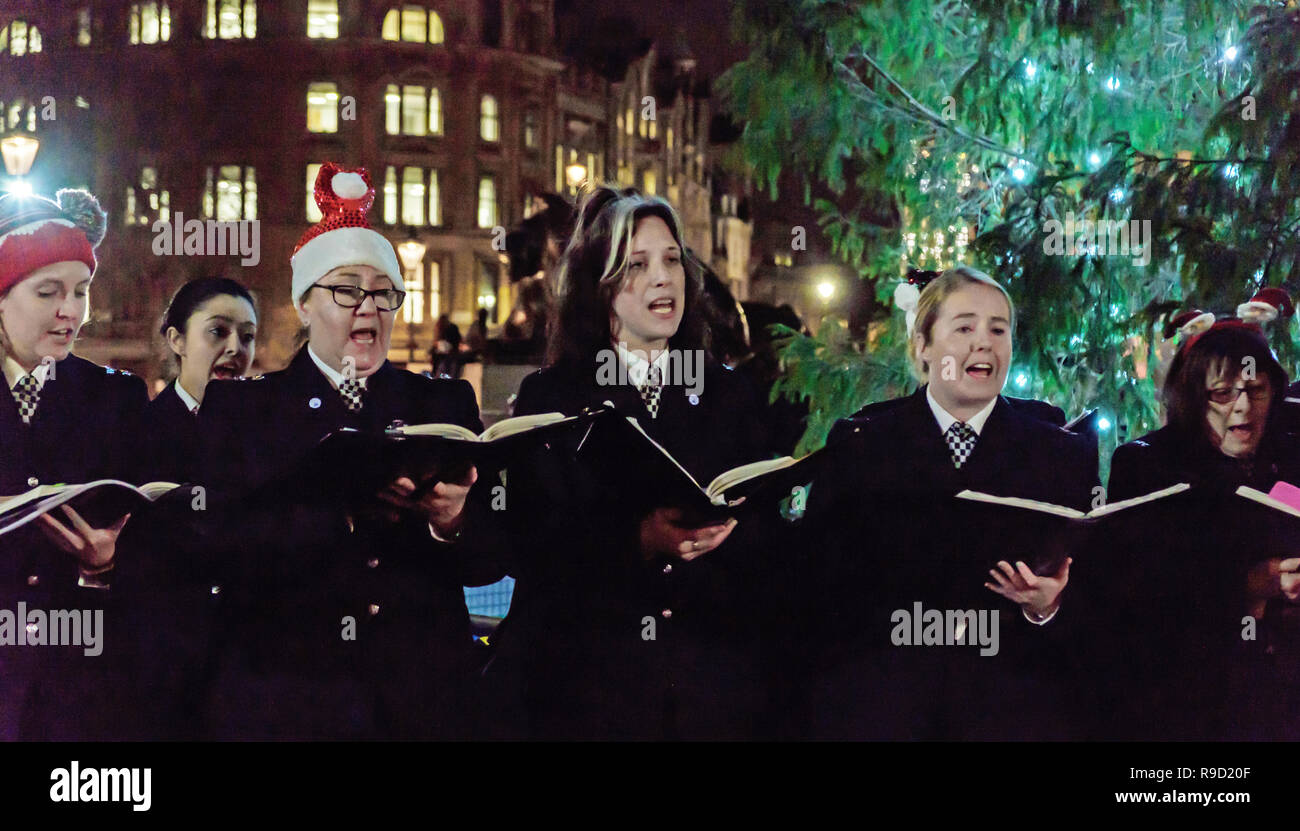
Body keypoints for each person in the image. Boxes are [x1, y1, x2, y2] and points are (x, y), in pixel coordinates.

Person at [193, 163, 505, 739]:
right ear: (305, 305)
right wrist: (338, 510)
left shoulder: (445, 402)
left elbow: (493, 561)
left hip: (422, 702)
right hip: (292, 699)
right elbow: (218, 551)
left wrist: (452, 520)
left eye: (384, 293)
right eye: (346, 291)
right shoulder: (243, 412)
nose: (369, 307)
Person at [489, 185, 777, 739]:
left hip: (709, 691)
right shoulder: (552, 397)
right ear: (600, 287)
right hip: (591, 691)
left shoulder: (730, 394)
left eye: (672, 260)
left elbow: (769, 536)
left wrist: (735, 531)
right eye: (637, 265)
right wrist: (639, 540)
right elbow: (531, 543)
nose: (663, 278)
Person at [797, 266, 1099, 740]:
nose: (984, 342)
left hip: (1010, 716)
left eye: (998, 329)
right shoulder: (861, 446)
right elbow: (817, 596)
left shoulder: (1059, 453)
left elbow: (1096, 601)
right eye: (964, 327)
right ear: (922, 346)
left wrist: (1050, 605)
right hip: (885, 714)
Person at [1104, 305, 1300, 739]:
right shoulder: (1148, 467)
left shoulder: (1290, 457)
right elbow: (1133, 599)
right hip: (1188, 708)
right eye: (1223, 393)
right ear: (1193, 396)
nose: (1243, 407)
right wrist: (1250, 585)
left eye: (1257, 389)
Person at [0, 188, 150, 739]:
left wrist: (104, 567)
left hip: (76, 694)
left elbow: (162, 556)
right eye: (48, 292)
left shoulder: (118, 399)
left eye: (81, 291)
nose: (70, 311)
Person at [148, 276, 258, 482]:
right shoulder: (141, 432)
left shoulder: (269, 432)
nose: (235, 348)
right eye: (218, 331)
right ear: (177, 340)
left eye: (247, 336)